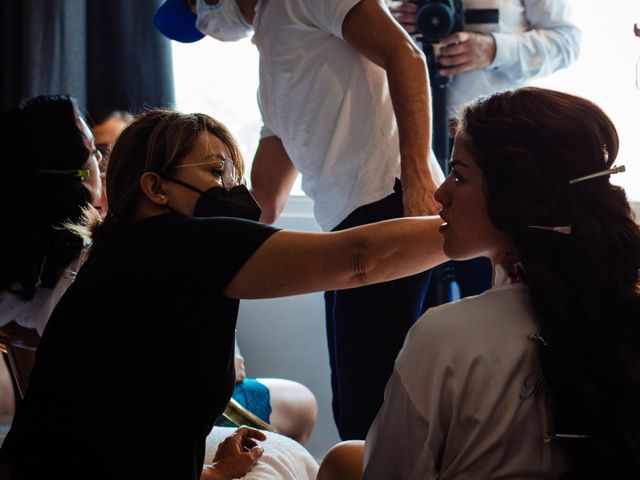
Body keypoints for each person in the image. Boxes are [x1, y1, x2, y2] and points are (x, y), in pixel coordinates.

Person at [0, 108, 447, 479]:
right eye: (217, 173)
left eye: (235, 177)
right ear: (155, 188)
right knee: (347, 462)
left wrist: (214, 472)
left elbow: (121, 437)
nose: (232, 191)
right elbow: (359, 258)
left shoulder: (117, 253)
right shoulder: (179, 242)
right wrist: (467, 226)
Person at [154, 0, 445, 441]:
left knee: (371, 411)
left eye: (197, 7)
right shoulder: (273, 65)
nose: (204, 22)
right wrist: (181, 233)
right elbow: (264, 202)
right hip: (347, 223)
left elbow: (404, 54)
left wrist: (418, 175)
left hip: (390, 201)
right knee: (351, 406)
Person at [316, 87, 640, 479]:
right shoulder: (621, 306)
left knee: (340, 461)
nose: (440, 193)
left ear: (515, 194)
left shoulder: (444, 339)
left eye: (459, 175)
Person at [389, 0, 582, 302]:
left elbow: (567, 41)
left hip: (494, 174)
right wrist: (393, 20)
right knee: (409, 316)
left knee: (495, 306)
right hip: (406, 165)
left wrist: (494, 50)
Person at [0, 95, 103, 410]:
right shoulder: (86, 264)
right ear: (79, 175)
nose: (101, 163)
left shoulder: (18, 258)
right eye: (94, 153)